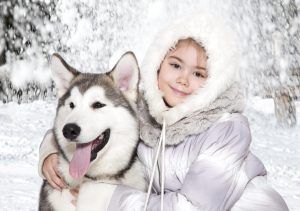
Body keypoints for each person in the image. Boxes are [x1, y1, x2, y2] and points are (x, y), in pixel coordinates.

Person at [39, 12, 289, 210]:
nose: (183, 79)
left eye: (199, 74)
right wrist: (50, 153)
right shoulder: (145, 114)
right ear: (157, 65)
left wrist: (106, 199)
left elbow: (193, 208)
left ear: (214, 83)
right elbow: (90, 123)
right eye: (176, 65)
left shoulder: (226, 130)